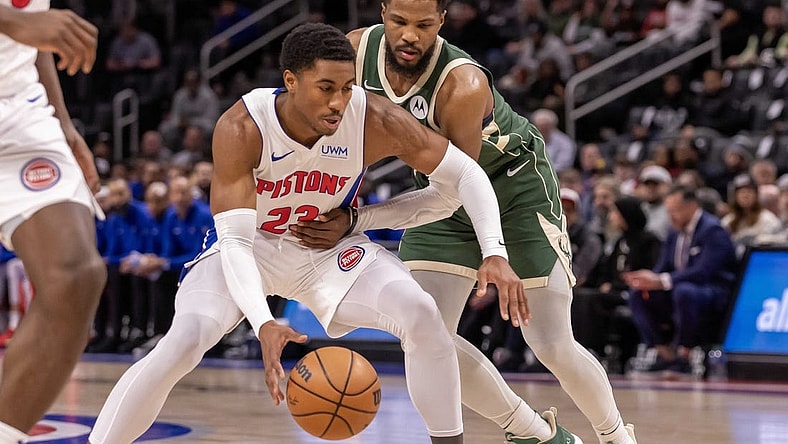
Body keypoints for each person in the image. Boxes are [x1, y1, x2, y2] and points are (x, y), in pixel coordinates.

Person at [88, 23, 528, 444]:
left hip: (326, 249)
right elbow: (237, 243)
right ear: (291, 81)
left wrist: (494, 250)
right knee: (182, 343)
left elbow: (466, 174)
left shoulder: (373, 119)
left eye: (347, 87)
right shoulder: (243, 127)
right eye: (326, 88)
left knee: (422, 313)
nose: (339, 101)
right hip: (252, 249)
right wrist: (263, 323)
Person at [291, 2, 637, 443]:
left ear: (442, 21)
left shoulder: (463, 83)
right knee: (426, 332)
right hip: (438, 194)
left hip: (513, 194)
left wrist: (357, 220)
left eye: (422, 24)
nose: (409, 35)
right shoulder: (357, 52)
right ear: (382, 14)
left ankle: (614, 437)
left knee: (549, 341)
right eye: (398, 22)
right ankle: (534, 432)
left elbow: (453, 191)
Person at [0, 3, 107, 443]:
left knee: (75, 277)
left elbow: (35, 29)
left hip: (18, 110)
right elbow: (24, 21)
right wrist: (11, 20)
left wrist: (62, 123)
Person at [624, 185, 738, 376]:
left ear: (692, 207)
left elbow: (704, 272)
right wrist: (648, 280)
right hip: (679, 287)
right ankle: (664, 354)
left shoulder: (714, 230)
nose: (670, 216)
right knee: (637, 294)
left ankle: (685, 354)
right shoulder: (673, 231)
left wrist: (661, 280)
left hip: (713, 290)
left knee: (684, 291)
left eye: (674, 211)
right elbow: (662, 268)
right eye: (668, 211)